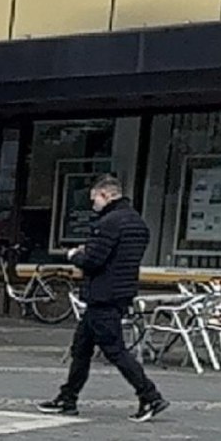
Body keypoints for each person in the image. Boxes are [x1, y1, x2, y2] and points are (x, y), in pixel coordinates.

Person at [39, 175, 168, 422]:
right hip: (120, 292)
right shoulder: (137, 222)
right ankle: (67, 398)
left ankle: (150, 396)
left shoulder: (109, 223)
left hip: (103, 294)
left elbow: (93, 261)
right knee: (81, 348)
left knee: (115, 350)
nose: (93, 204)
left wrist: (74, 255)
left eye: (94, 199)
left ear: (106, 195)